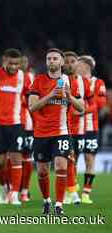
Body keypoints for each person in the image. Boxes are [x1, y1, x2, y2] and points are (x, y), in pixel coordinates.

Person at [28, 48, 84, 215]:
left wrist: (69, 97)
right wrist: (51, 94)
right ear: (46, 62)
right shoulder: (38, 81)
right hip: (40, 133)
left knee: (61, 167)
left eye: (55, 59)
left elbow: (81, 108)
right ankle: (46, 201)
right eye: (49, 59)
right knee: (43, 171)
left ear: (61, 62)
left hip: (61, 132)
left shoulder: (70, 81)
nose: (51, 61)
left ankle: (59, 205)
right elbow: (32, 106)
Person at [0, 48, 31, 205]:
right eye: (11, 63)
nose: (14, 67)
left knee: (17, 158)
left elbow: (31, 99)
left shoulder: (24, 77)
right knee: (0, 163)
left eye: (17, 64)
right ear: (4, 60)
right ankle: (4, 187)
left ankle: (14, 194)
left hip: (16, 124)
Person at [63, 51, 93, 205]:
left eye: (72, 61)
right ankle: (71, 191)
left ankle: (70, 190)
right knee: (68, 160)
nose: (69, 64)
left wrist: (81, 111)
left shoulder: (84, 82)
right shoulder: (58, 80)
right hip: (62, 128)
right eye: (66, 61)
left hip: (79, 129)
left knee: (73, 161)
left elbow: (92, 104)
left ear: (77, 63)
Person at [76, 55, 107, 204]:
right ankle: (71, 191)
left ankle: (86, 193)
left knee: (90, 160)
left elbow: (100, 104)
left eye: (78, 64)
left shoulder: (98, 83)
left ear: (86, 66)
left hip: (90, 128)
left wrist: (84, 111)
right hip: (74, 128)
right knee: (71, 159)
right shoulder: (73, 82)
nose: (76, 66)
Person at [19, 55, 35, 202]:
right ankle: (15, 188)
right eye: (21, 62)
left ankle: (25, 189)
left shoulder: (31, 77)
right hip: (13, 124)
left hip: (29, 124)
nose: (23, 64)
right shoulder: (12, 77)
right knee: (13, 158)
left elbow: (33, 100)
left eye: (25, 61)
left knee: (27, 157)